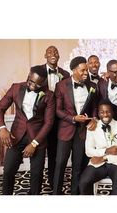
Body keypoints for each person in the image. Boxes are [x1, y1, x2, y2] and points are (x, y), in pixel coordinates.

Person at [0, 66, 55, 195]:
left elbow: (49, 123)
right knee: (9, 170)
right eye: (31, 81)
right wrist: (2, 128)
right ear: (28, 76)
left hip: (37, 138)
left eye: (37, 84)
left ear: (43, 83)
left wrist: (34, 143)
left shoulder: (49, 96)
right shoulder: (16, 88)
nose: (32, 86)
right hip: (16, 136)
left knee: (36, 175)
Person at [53, 56, 98, 195]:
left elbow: (95, 107)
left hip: (82, 132)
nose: (86, 73)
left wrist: (94, 119)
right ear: (73, 70)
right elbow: (58, 110)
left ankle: (75, 194)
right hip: (65, 131)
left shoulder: (92, 86)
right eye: (83, 70)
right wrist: (72, 118)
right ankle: (56, 194)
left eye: (87, 70)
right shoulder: (61, 85)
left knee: (78, 165)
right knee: (60, 164)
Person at [79, 100, 117, 195]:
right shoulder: (92, 127)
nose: (105, 115)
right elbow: (89, 151)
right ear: (98, 113)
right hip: (97, 164)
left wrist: (104, 158)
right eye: (102, 112)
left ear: (113, 112)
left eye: (108, 111)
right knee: (83, 183)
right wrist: (106, 151)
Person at [37, 45, 70, 189]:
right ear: (45, 55)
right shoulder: (37, 71)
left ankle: (53, 181)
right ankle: (36, 184)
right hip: (41, 118)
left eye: (56, 52)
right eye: (50, 51)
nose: (53, 54)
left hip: (59, 119)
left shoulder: (65, 73)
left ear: (59, 56)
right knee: (39, 151)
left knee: (54, 151)